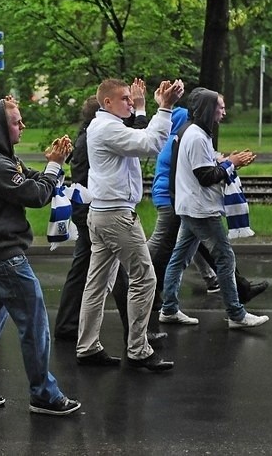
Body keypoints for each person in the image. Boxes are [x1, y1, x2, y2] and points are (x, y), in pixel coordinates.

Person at [0, 97, 81, 416]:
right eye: (16, 121)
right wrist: (54, 167)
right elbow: (36, 194)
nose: (22, 126)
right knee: (35, 323)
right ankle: (44, 394)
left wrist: (52, 165)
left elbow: (33, 180)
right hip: (5, 256)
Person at [76, 78, 180, 372]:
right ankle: (138, 349)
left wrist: (145, 106)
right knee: (145, 278)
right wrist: (166, 108)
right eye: (124, 99)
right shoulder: (108, 128)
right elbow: (151, 143)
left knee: (97, 284)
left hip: (100, 214)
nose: (130, 103)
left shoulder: (104, 126)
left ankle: (87, 347)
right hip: (116, 217)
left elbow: (139, 134)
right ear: (107, 102)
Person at [160, 88, 269, 329]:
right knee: (225, 258)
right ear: (209, 109)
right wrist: (232, 163)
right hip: (201, 209)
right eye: (220, 107)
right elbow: (206, 177)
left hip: (188, 206)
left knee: (179, 259)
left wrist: (225, 160)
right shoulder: (198, 136)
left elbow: (201, 165)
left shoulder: (189, 130)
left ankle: (168, 309)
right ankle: (236, 314)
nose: (223, 111)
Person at [54, 96, 132, 343]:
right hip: (93, 210)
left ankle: (68, 324)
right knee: (117, 271)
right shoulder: (94, 137)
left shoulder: (86, 135)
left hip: (84, 209)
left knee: (87, 269)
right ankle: (136, 330)